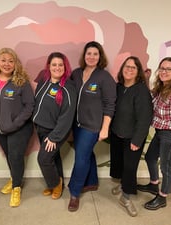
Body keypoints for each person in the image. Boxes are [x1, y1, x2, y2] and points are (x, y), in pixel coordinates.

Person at [68, 41, 117, 212]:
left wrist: (105, 128)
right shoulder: (76, 73)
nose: (91, 57)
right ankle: (91, 182)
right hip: (76, 124)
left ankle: (74, 193)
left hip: (93, 126)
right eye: (89, 53)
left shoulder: (104, 77)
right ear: (84, 56)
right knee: (86, 154)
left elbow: (110, 104)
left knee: (81, 158)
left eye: (95, 54)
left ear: (100, 57)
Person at [137, 57, 171, 210]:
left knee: (167, 167)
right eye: (162, 68)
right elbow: (149, 99)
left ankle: (162, 197)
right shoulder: (161, 88)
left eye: (168, 69)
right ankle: (154, 184)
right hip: (160, 132)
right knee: (150, 157)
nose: (164, 72)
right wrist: (146, 80)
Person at [0, 48, 34, 207]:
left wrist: (15, 124)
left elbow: (29, 105)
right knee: (8, 155)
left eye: (10, 61)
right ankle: (14, 178)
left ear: (15, 63)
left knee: (16, 157)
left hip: (19, 128)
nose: (7, 64)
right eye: (3, 60)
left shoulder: (21, 81)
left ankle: (17, 187)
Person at [109, 56, 153, 217]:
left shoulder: (141, 90)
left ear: (138, 72)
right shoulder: (118, 87)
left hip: (133, 138)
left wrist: (137, 140)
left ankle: (126, 197)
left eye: (133, 68)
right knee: (119, 164)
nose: (129, 69)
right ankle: (121, 186)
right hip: (117, 134)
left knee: (129, 168)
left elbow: (145, 117)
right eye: (127, 66)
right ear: (122, 69)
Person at [33, 52, 77, 200]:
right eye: (54, 64)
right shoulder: (43, 81)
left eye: (60, 65)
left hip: (56, 131)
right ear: (49, 66)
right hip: (40, 127)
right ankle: (56, 184)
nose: (57, 67)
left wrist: (54, 137)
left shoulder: (68, 88)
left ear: (65, 67)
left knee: (44, 159)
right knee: (53, 157)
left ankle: (55, 184)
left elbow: (67, 116)